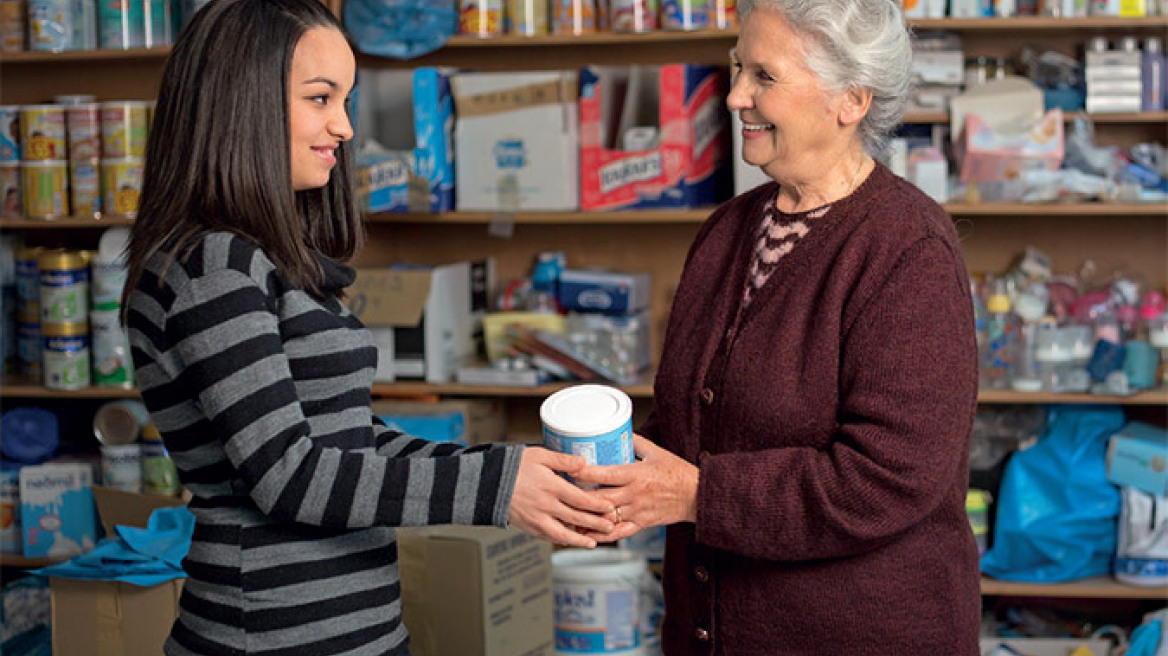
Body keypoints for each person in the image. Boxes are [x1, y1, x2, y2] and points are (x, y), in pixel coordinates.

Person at [120, 1, 616, 654]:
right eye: (321, 97)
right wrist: (496, 491)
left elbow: (347, 441)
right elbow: (287, 473)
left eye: (345, 100)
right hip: (271, 636)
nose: (345, 126)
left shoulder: (258, 259)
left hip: (356, 630)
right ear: (240, 101)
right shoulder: (215, 264)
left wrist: (515, 471)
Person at [574, 0, 981, 653]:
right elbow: (692, 423)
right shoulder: (727, 232)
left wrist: (699, 496)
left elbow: (887, 479)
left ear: (849, 99)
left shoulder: (908, 250)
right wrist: (615, 480)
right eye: (739, 68)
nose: (735, 95)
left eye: (764, 76)